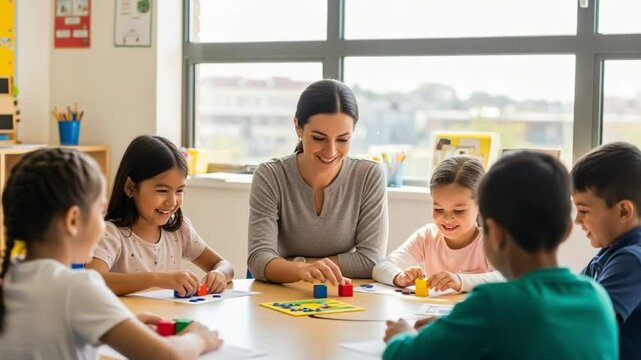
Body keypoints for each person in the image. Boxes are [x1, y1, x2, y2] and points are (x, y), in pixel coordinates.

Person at [383, 151, 618, 359]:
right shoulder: (597, 297)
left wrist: (401, 336)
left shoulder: (492, 304)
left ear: (493, 232)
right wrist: (454, 328)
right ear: (567, 230)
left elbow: (405, 355)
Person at [0, 148, 222, 359]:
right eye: (100, 211)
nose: (103, 221)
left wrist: (117, 322)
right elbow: (168, 356)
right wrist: (199, 338)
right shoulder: (77, 287)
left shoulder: (13, 276)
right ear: (73, 220)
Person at [247, 79, 388, 285]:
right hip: (281, 292)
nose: (331, 151)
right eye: (319, 138)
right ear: (298, 127)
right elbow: (259, 261)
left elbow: (371, 260)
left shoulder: (369, 175)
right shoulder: (270, 175)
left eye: (342, 139)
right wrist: (303, 269)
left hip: (340, 294)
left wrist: (295, 264)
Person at [85, 135, 233, 296]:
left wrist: (220, 274)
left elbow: (224, 264)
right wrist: (156, 279)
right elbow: (93, 280)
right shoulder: (110, 233)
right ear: (130, 187)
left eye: (179, 191)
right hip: (128, 319)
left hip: (167, 318)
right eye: (162, 191)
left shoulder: (180, 230)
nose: (172, 201)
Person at [373, 156, 502, 292]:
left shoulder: (489, 241)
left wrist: (460, 281)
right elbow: (381, 267)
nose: (447, 219)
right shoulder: (427, 236)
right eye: (438, 209)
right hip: (435, 311)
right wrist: (399, 277)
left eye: (458, 211)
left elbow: (508, 277)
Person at [572, 141, 641, 360]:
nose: (577, 220)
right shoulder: (610, 252)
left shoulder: (632, 260)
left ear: (623, 211)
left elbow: (589, 323)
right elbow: (570, 296)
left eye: (583, 210)